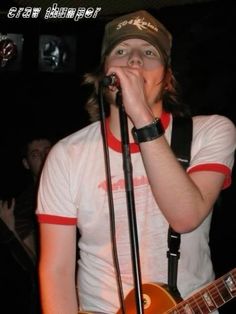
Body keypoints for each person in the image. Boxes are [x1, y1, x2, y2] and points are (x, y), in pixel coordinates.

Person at [36, 10, 236, 314]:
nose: (134, 59)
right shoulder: (67, 155)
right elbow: (56, 271)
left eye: (149, 52)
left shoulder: (210, 132)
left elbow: (185, 216)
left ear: (168, 79)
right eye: (121, 51)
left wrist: (142, 116)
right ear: (104, 74)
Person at [0, 133, 53, 314]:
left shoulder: (79, 188)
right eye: (35, 155)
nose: (45, 157)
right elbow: (33, 263)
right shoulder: (22, 206)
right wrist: (11, 230)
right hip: (49, 297)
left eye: (48, 151)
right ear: (26, 163)